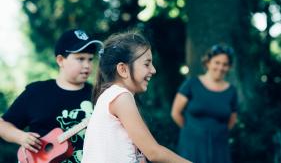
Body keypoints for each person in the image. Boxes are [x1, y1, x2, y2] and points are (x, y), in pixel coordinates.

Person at [81, 31, 192, 163]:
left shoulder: (111, 96)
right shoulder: (120, 96)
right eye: (146, 64)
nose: (153, 70)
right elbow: (154, 152)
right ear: (123, 69)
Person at [0, 29, 103, 163]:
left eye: (90, 59)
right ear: (61, 60)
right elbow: (3, 125)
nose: (87, 65)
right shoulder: (36, 92)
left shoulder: (99, 95)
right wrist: (21, 137)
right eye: (80, 59)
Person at [171, 44, 238, 163]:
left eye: (225, 64)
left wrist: (217, 133)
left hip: (220, 147)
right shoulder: (192, 84)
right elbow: (175, 113)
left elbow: (232, 120)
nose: (220, 67)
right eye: (217, 62)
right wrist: (192, 131)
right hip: (192, 146)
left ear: (229, 67)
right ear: (208, 63)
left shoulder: (231, 91)